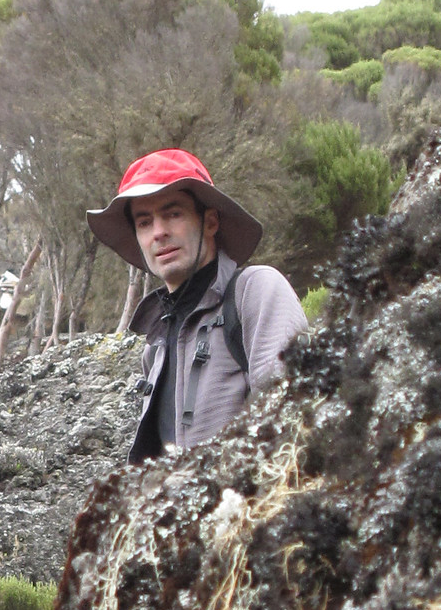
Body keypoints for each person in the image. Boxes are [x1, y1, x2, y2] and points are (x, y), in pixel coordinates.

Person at [86, 148, 308, 464]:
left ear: (210, 222)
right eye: (145, 222)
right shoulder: (155, 349)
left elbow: (292, 420)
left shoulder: (255, 292)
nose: (159, 232)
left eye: (173, 214)